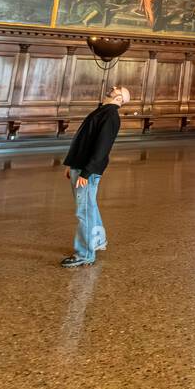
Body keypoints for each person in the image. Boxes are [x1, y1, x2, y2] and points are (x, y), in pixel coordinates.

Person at [61, 85, 127, 268]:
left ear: (120, 98)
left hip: (86, 170)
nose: (113, 87)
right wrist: (71, 164)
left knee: (84, 211)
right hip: (80, 166)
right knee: (89, 207)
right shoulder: (102, 111)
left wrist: (87, 171)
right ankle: (96, 241)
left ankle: (85, 254)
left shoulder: (110, 115)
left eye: (117, 88)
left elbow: (102, 148)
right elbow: (83, 140)